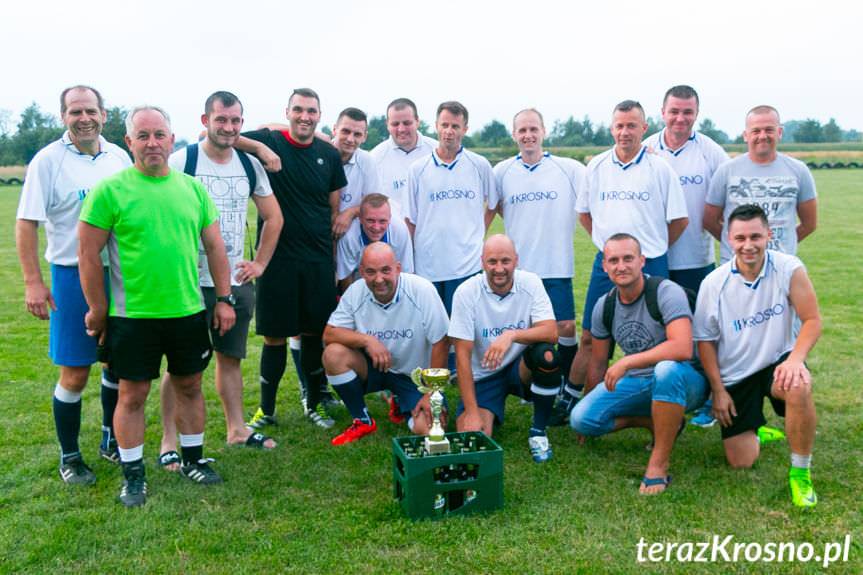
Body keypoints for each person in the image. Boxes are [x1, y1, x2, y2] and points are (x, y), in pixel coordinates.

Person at [78, 105, 236, 507]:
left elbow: (216, 247)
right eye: (143, 136)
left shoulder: (192, 189)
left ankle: (194, 459)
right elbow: (87, 254)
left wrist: (222, 298)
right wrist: (98, 309)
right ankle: (133, 475)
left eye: (159, 135)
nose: (152, 143)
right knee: (132, 394)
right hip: (132, 317)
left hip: (186, 311)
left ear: (171, 139)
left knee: (190, 385)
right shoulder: (110, 191)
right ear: (129, 142)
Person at [156, 91, 283, 470]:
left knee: (230, 358)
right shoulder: (183, 161)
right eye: (221, 120)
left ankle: (237, 429)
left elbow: (274, 218)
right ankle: (168, 440)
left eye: (235, 121)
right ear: (205, 120)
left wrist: (259, 263)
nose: (228, 128)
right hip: (187, 282)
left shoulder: (248, 164)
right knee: (180, 367)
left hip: (235, 280)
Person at [16, 85, 131, 485]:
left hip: (118, 274)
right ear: (63, 116)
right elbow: (26, 222)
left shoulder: (119, 156)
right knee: (75, 372)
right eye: (75, 111)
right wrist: (34, 281)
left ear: (104, 113)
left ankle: (110, 439)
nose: (84, 118)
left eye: (91, 110)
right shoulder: (47, 161)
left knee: (117, 363)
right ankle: (70, 456)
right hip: (70, 275)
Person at [566, 100, 689, 423]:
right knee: (592, 336)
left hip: (651, 264)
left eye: (632, 125)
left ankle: (660, 411)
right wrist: (610, 256)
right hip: (606, 265)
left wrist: (649, 251)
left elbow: (678, 221)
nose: (625, 132)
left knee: (660, 344)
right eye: (619, 126)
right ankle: (591, 405)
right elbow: (584, 214)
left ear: (644, 128)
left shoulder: (660, 168)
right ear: (611, 128)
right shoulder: (596, 167)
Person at [694, 205, 821, 508]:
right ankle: (757, 429)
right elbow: (706, 342)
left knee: (798, 384)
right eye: (740, 238)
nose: (748, 245)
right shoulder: (714, 282)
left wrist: (794, 360)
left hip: (778, 363)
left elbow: (812, 319)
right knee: (741, 462)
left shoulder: (789, 268)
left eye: (755, 236)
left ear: (769, 235)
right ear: (728, 239)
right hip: (737, 375)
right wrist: (718, 391)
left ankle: (800, 473)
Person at [237, 88, 348, 430]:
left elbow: (332, 209)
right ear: (287, 111)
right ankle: (266, 409)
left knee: (314, 334)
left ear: (319, 115)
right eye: (298, 110)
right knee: (274, 337)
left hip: (316, 260)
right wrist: (259, 147)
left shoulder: (328, 155)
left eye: (311, 111)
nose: (305, 116)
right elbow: (218, 133)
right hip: (276, 260)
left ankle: (314, 403)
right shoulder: (271, 140)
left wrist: (330, 263)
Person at [570, 233, 708, 494]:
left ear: (642, 261)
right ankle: (659, 422)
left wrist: (628, 361)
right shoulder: (605, 305)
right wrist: (591, 402)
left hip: (686, 378)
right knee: (580, 418)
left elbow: (681, 347)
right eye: (613, 260)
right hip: (640, 381)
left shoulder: (666, 291)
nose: (621, 266)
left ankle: (658, 464)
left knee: (665, 370)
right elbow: (598, 362)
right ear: (605, 266)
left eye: (628, 258)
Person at [489, 108, 587, 423]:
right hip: (519, 270)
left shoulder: (569, 168)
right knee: (530, 331)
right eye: (522, 130)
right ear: (514, 134)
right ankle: (532, 383)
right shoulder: (502, 171)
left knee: (564, 328)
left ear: (543, 131)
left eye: (533, 129)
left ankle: (565, 386)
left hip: (556, 265)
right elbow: (496, 207)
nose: (528, 135)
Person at [643, 85, 730, 428]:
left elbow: (725, 204)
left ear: (697, 114)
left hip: (696, 259)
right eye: (674, 111)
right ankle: (664, 395)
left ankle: (710, 398)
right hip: (655, 261)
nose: (680, 118)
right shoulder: (646, 148)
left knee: (703, 334)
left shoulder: (711, 152)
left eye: (688, 112)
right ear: (662, 112)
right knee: (662, 335)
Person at [322, 242, 449, 444]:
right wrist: (367, 340)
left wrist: (431, 393)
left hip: (414, 378)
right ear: (361, 271)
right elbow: (329, 334)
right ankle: (362, 420)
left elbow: (441, 342)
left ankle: (401, 401)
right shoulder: (355, 292)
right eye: (370, 272)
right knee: (333, 354)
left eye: (385, 270)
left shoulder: (422, 290)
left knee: (429, 429)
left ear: (398, 268)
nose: (379, 279)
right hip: (376, 368)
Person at [449, 235, 561, 463]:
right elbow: (462, 356)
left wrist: (511, 335)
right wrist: (471, 412)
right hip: (483, 375)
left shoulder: (530, 283)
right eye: (492, 262)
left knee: (547, 355)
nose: (499, 269)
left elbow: (551, 332)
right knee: (474, 441)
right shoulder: (466, 292)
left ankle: (538, 432)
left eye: (505, 261)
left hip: (518, 368)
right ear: (482, 262)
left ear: (516, 261)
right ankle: (484, 409)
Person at [407, 101, 494, 314]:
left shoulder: (480, 164)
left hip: (467, 264)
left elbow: (493, 205)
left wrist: (476, 235)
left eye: (455, 126)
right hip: (428, 265)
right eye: (444, 125)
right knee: (435, 331)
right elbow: (410, 219)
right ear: (436, 125)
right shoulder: (417, 169)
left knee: (463, 329)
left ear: (465, 129)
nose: (449, 131)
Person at [704, 105, 817, 263]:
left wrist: (785, 244)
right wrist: (738, 243)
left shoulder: (798, 170)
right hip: (735, 266)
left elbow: (809, 224)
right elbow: (709, 221)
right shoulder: (726, 171)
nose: (762, 136)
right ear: (746, 135)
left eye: (769, 130)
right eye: (756, 131)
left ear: (779, 132)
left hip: (781, 267)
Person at [369, 97, 437, 217]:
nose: (401, 129)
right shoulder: (374, 158)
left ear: (417, 121)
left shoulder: (437, 151)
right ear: (387, 125)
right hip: (395, 231)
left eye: (407, 123)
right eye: (395, 124)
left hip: (432, 230)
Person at [336, 193, 413, 293]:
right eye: (370, 220)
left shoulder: (400, 230)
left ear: (390, 219)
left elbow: (406, 272)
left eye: (382, 221)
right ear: (360, 219)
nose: (376, 227)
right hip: (361, 285)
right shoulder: (348, 238)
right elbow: (346, 276)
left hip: (391, 284)